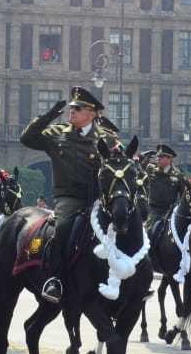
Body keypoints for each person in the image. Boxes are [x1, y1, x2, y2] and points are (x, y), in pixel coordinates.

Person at [19, 86, 119, 304]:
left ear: (91, 114)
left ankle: (132, 277)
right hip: (70, 198)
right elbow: (27, 139)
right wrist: (49, 115)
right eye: (71, 108)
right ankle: (55, 279)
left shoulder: (107, 139)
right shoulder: (58, 133)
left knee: (126, 224)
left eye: (78, 109)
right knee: (62, 228)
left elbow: (119, 165)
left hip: (100, 199)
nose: (71, 112)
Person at [144, 144, 186, 230]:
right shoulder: (151, 170)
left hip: (170, 211)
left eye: (161, 157)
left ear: (170, 159)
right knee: (148, 232)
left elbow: (184, 195)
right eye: (158, 156)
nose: (158, 158)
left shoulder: (178, 175)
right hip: (153, 211)